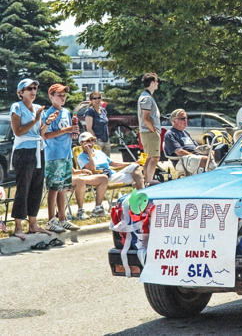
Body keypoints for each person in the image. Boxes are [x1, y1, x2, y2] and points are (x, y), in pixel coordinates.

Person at [9, 78, 50, 239]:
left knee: (37, 187)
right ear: (21, 92)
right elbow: (18, 131)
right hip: (23, 151)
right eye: (29, 89)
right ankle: (18, 226)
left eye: (35, 88)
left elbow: (40, 132)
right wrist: (35, 119)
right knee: (23, 188)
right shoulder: (17, 107)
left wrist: (46, 122)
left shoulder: (38, 108)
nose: (33, 91)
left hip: (37, 150)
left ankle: (33, 224)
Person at [40, 83, 80, 232]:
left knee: (63, 188)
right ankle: (51, 220)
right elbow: (46, 135)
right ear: (51, 96)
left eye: (64, 95)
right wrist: (66, 130)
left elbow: (68, 131)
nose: (62, 98)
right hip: (54, 155)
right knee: (54, 188)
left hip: (66, 154)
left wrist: (72, 133)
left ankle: (62, 218)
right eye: (59, 95)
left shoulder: (66, 112)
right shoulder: (48, 114)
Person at [77, 131, 144, 190]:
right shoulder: (81, 157)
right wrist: (89, 154)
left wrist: (132, 163)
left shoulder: (98, 152)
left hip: (113, 175)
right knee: (138, 178)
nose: (91, 143)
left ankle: (140, 194)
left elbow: (113, 163)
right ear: (81, 143)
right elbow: (92, 169)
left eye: (92, 140)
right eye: (88, 141)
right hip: (103, 177)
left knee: (136, 168)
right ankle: (143, 194)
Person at [163, 108, 210, 174]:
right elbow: (179, 152)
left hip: (192, 158)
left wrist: (208, 151)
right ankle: (200, 178)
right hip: (181, 160)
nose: (186, 120)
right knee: (205, 160)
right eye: (183, 119)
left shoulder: (185, 132)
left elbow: (197, 148)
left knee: (214, 156)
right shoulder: (170, 134)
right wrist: (195, 156)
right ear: (174, 121)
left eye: (186, 118)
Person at [137, 72, 161, 186]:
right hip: (149, 132)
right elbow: (145, 117)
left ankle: (145, 180)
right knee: (155, 157)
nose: (158, 84)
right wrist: (154, 130)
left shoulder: (145, 96)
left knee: (146, 156)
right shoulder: (146, 98)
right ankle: (149, 180)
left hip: (145, 132)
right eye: (156, 82)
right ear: (152, 83)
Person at [85, 91, 111, 155]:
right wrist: (95, 140)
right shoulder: (90, 111)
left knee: (107, 162)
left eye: (99, 98)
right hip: (97, 140)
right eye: (94, 98)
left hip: (106, 140)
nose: (97, 100)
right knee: (98, 161)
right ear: (91, 100)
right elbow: (89, 128)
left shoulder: (103, 110)